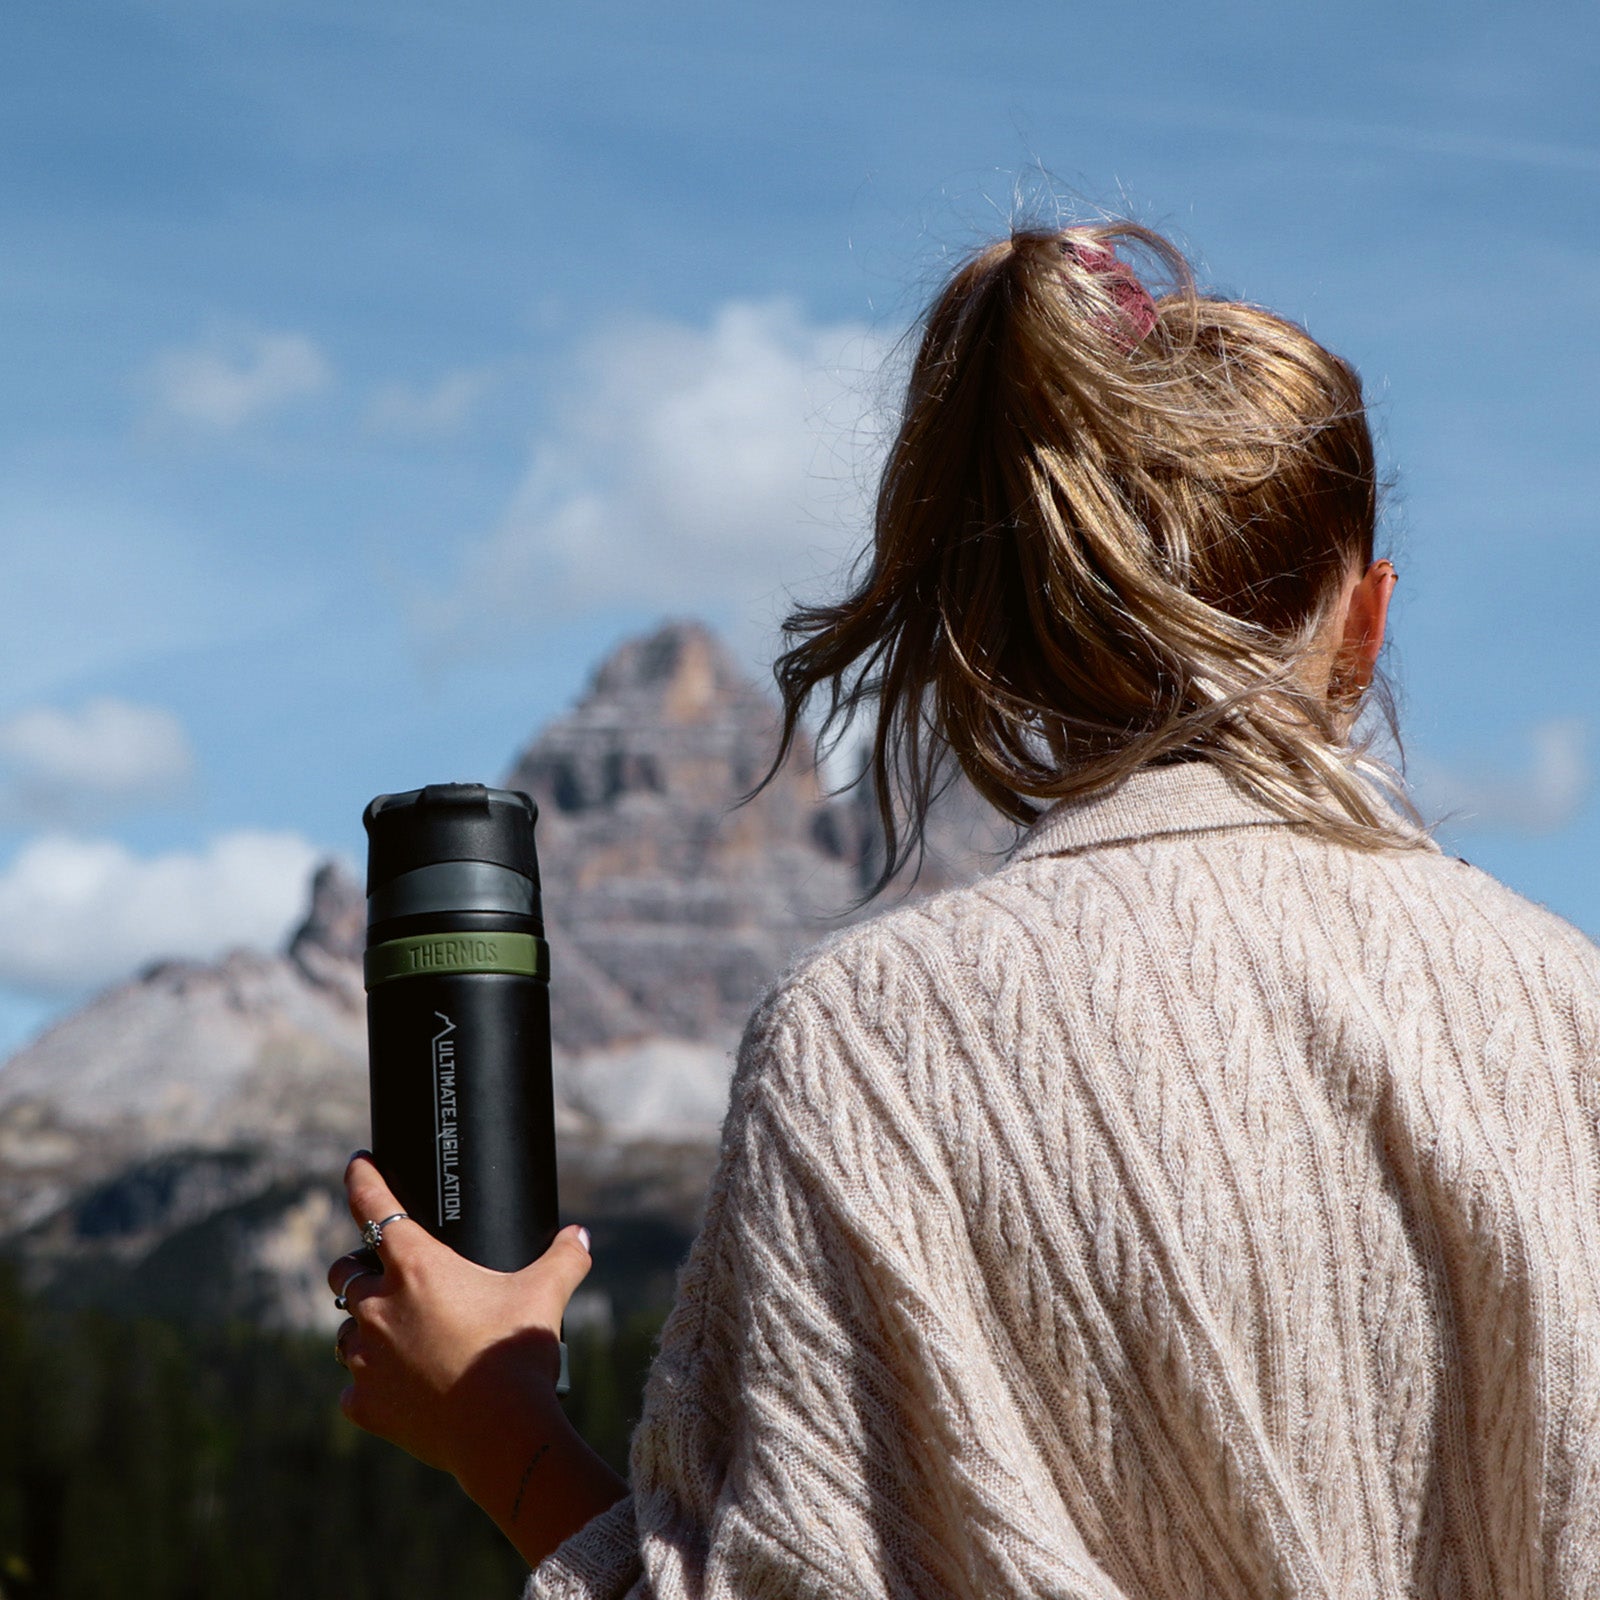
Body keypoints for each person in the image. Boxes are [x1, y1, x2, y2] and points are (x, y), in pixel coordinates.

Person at [327, 221, 1600, 1598]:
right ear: (1365, 625)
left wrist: (493, 1417)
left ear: (1000, 625)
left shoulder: (870, 1042)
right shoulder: (1565, 1008)